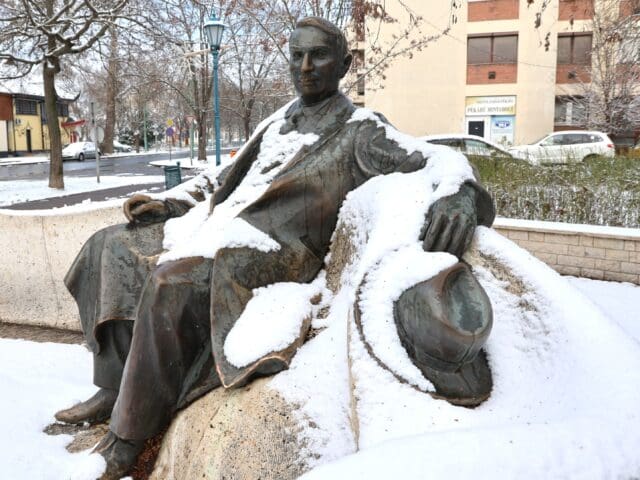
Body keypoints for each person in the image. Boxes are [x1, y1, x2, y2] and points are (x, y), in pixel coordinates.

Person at [55, 17, 494, 479]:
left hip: (266, 253)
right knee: (109, 245)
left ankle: (128, 436)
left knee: (170, 283)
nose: (305, 67)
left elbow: (435, 158)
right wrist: (170, 203)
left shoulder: (361, 130)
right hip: (215, 226)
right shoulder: (277, 121)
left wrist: (461, 194)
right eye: (297, 56)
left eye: (318, 56)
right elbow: (222, 179)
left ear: (344, 64)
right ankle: (114, 384)